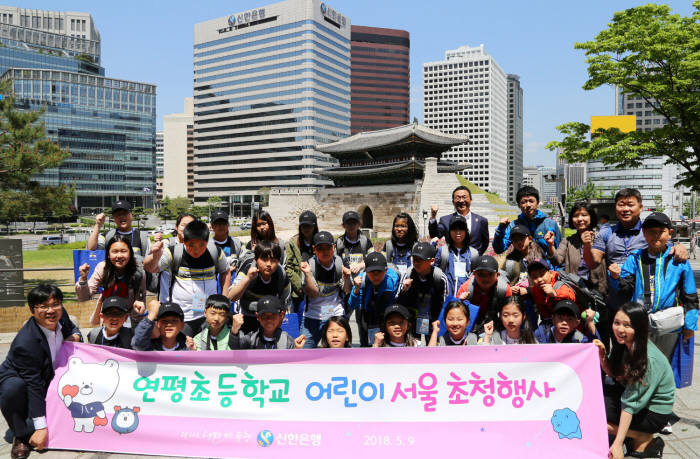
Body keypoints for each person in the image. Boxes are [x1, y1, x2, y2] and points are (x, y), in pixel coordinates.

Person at [0, 285, 81, 459]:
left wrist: (75, 336)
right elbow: (33, 385)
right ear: (32, 309)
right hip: (22, 377)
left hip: (49, 372)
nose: (51, 310)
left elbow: (73, 329)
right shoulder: (26, 343)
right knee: (12, 389)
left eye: (55, 304)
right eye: (43, 306)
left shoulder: (61, 314)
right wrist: (40, 428)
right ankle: (20, 435)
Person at [610, 212, 698, 360]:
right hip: (639, 322)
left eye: (660, 232)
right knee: (639, 363)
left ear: (670, 233)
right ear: (644, 233)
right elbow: (624, 288)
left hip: (669, 324)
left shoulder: (679, 260)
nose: (656, 235)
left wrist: (690, 326)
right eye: (651, 232)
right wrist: (614, 277)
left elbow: (690, 295)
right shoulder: (635, 258)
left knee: (664, 364)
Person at [584, 188, 688, 312]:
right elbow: (592, 262)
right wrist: (586, 245)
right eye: (621, 205)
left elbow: (668, 249)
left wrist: (680, 248)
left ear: (640, 207)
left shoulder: (650, 231)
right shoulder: (605, 232)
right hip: (615, 301)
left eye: (630, 204)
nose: (625, 209)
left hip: (646, 302)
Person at [594, 302, 675, 459]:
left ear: (639, 328)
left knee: (598, 415)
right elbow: (615, 374)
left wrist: (617, 444)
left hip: (654, 413)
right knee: (595, 398)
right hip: (636, 401)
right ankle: (633, 435)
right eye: (617, 323)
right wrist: (602, 357)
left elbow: (630, 404)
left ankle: (642, 436)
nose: (620, 329)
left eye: (627, 325)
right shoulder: (624, 345)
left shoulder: (649, 359)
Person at [146, 219, 230, 337]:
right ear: (184, 241)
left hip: (209, 316)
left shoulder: (215, 251)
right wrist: (155, 256)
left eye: (201, 245)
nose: (196, 250)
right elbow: (150, 268)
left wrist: (224, 298)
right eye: (191, 245)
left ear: (207, 241)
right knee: (183, 351)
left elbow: (225, 271)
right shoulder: (174, 252)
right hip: (182, 317)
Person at [76, 234, 146, 327]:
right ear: (108, 255)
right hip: (107, 318)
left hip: (129, 318)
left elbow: (140, 302)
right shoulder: (102, 268)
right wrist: (83, 279)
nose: (119, 255)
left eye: (123, 251)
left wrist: (132, 326)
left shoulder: (138, 272)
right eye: (115, 251)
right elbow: (84, 297)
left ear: (130, 253)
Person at [298, 231, 351, 348]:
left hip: (335, 316)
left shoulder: (339, 263)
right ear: (314, 249)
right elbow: (312, 294)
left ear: (334, 247)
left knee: (339, 355)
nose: (325, 251)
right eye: (320, 248)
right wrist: (307, 274)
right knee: (304, 352)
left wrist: (347, 278)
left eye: (328, 247)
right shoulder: (309, 266)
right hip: (312, 317)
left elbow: (346, 290)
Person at [228, 240, 291, 335]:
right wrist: (248, 278)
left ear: (278, 261)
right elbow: (231, 297)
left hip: (268, 320)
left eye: (273, 260)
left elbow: (284, 303)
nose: (269, 264)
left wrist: (278, 324)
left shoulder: (281, 274)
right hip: (246, 317)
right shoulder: (247, 268)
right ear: (255, 259)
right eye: (264, 259)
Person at [547, 201, 608, 294]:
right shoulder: (567, 241)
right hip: (574, 289)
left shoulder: (601, 237)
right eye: (576, 216)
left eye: (584, 215)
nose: (580, 219)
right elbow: (557, 260)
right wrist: (550, 245)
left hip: (598, 290)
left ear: (591, 217)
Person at [396, 242, 448, 342]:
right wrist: (404, 290)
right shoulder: (407, 275)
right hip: (411, 323)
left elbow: (444, 305)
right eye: (414, 259)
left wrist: (439, 326)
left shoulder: (440, 278)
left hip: (433, 322)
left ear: (432, 261)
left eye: (420, 260)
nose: (416, 263)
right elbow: (397, 303)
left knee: (432, 353)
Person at [492, 186, 562, 259]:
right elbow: (499, 249)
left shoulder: (550, 224)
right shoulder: (514, 225)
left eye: (531, 201)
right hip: (521, 268)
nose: (528, 205)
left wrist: (557, 270)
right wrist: (500, 229)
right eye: (524, 202)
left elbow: (559, 252)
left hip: (546, 268)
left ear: (537, 203)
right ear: (519, 205)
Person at [348, 252, 401, 347]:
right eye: (372, 272)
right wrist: (356, 289)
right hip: (367, 314)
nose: (376, 276)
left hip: (385, 315)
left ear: (386, 270)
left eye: (379, 272)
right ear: (366, 271)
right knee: (366, 345)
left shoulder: (392, 281)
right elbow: (352, 305)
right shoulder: (361, 280)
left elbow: (394, 304)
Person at [456, 255, 512, 331]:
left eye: (490, 274)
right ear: (474, 274)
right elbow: (454, 315)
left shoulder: (504, 289)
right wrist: (460, 302)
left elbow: (509, 314)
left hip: (495, 324)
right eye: (481, 274)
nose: (485, 278)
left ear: (497, 275)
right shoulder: (465, 288)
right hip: (472, 325)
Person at [429, 185, 490, 255]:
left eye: (464, 197)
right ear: (453, 202)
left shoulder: (481, 221)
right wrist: (433, 216)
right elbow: (434, 235)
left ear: (471, 200)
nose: (461, 200)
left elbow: (485, 243)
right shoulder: (445, 220)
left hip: (473, 263)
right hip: (452, 261)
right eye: (458, 198)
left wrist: (476, 255)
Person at [228, 296, 305, 349]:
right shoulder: (251, 339)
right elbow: (235, 349)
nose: (269, 320)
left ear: (281, 315)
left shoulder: (287, 341)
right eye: (264, 316)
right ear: (258, 317)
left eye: (273, 315)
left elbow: (292, 365)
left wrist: (296, 351)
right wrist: (234, 330)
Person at [435, 215, 479, 297]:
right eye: (454, 229)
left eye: (461, 228)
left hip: (465, 298)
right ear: (449, 231)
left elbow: (476, 277)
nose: (458, 232)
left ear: (466, 231)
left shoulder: (473, 253)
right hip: (446, 298)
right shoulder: (443, 251)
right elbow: (435, 274)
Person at [523, 258, 578, 322]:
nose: (539, 279)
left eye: (542, 274)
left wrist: (555, 293)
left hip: (571, 322)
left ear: (550, 273)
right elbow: (544, 313)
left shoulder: (559, 282)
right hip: (551, 322)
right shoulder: (537, 289)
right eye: (535, 277)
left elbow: (571, 295)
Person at [285, 210, 319, 312]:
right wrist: (300, 287)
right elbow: (289, 267)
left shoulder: (320, 241)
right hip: (299, 293)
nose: (306, 229)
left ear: (314, 226)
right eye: (303, 226)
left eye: (309, 226)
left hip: (319, 291)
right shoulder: (293, 242)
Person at [210, 210, 244, 293]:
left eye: (224, 223)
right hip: (210, 285)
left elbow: (244, 261)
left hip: (232, 285)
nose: (221, 226)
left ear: (228, 225)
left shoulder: (237, 243)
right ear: (212, 226)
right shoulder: (207, 245)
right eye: (217, 224)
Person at [336, 210, 372, 276]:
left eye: (354, 223)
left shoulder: (366, 241)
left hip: (362, 277)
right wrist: (344, 269)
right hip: (345, 278)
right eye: (348, 223)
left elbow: (372, 259)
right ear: (343, 225)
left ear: (359, 224)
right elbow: (333, 261)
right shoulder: (339, 242)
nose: (351, 226)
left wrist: (362, 265)